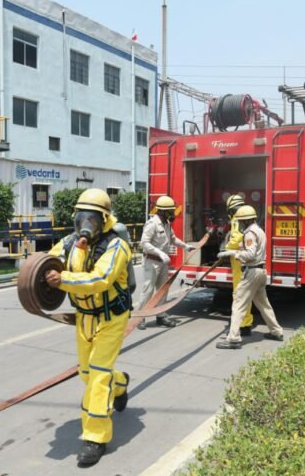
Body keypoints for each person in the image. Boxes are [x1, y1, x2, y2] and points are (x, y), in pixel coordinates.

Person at [44, 188, 133, 466]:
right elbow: (49, 262)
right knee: (86, 372)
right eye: (82, 217)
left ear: (104, 219)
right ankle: (120, 384)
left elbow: (100, 279)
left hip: (111, 317)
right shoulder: (69, 242)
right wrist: (38, 273)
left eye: (92, 218)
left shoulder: (116, 246)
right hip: (84, 317)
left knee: (97, 375)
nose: (86, 224)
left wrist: (63, 280)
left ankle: (95, 437)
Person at [215, 205, 284, 349]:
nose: (239, 224)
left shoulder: (249, 234)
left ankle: (233, 339)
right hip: (261, 272)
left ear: (246, 221)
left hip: (252, 272)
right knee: (264, 305)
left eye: (240, 221)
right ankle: (276, 332)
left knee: (238, 303)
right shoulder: (259, 230)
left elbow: (250, 254)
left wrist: (233, 253)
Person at [137, 195, 194, 329]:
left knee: (163, 290)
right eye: (170, 211)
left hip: (163, 263)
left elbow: (173, 239)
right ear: (162, 211)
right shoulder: (152, 224)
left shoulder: (166, 224)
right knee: (148, 290)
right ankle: (140, 317)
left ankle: (161, 316)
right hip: (152, 261)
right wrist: (160, 253)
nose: (173, 213)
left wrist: (185, 246)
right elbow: (144, 243)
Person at [225, 194, 254, 336]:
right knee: (247, 293)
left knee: (239, 293)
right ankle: (246, 322)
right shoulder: (246, 218)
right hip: (247, 259)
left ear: (231, 209)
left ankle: (242, 325)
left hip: (238, 260)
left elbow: (236, 238)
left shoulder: (236, 218)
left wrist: (227, 248)